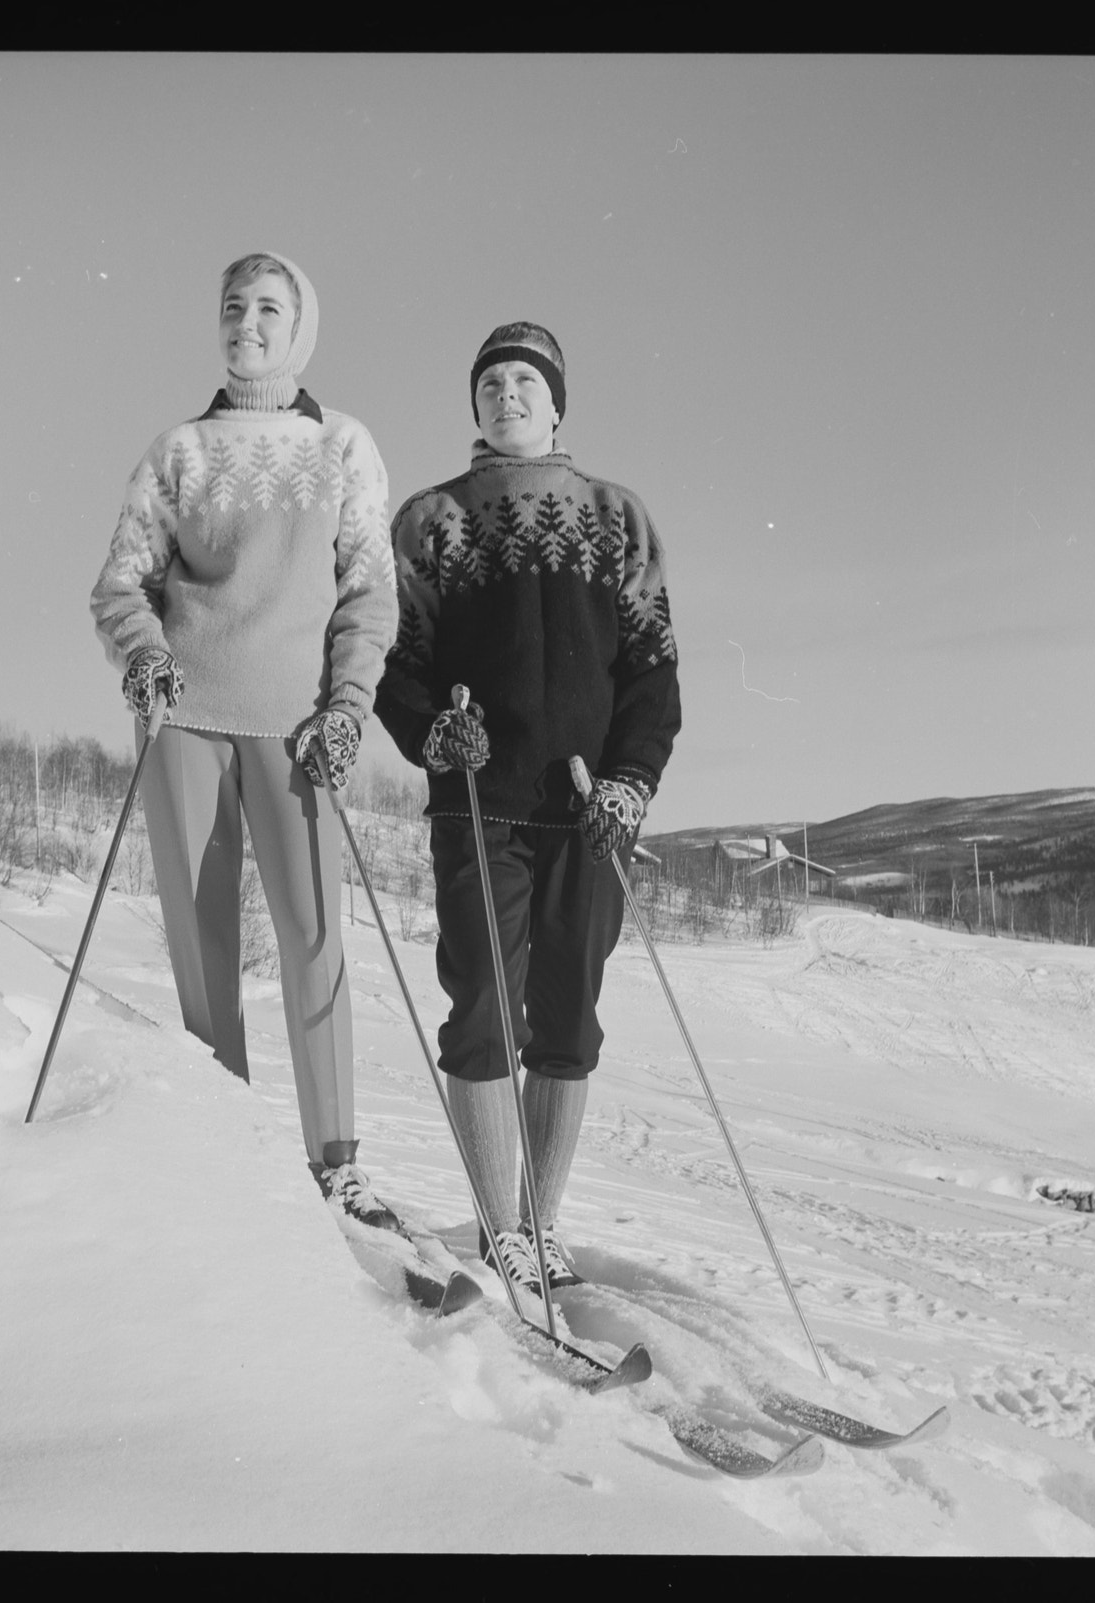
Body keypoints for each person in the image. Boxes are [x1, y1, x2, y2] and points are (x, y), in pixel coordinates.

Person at [90, 251, 404, 1232]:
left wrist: (347, 704)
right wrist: (143, 654)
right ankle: (223, 1149)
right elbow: (119, 584)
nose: (247, 323)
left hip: (298, 730)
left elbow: (369, 593)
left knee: (314, 939)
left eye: (269, 307)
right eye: (233, 306)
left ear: (299, 325)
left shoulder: (342, 447)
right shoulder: (178, 449)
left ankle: (335, 1162)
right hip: (184, 722)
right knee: (202, 943)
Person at [374, 321, 681, 1293]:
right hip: (478, 808)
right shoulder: (434, 523)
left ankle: (541, 1225)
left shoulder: (615, 519)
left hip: (587, 816)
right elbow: (395, 669)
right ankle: (498, 1228)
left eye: (525, 381)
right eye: (491, 382)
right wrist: (431, 730)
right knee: (479, 1016)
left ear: (556, 404)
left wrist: (630, 784)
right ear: (474, 404)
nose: (507, 394)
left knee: (566, 1024)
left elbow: (652, 677)